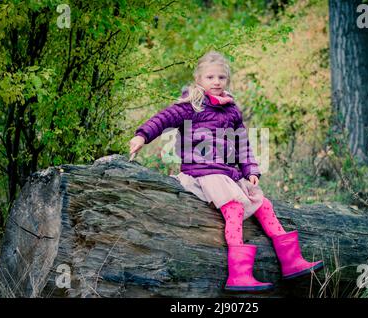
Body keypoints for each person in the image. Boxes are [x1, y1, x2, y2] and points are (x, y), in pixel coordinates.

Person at [129, 51, 323, 292]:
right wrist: (142, 136)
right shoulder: (191, 106)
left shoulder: (232, 110)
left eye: (221, 77)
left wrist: (250, 169)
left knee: (264, 204)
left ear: (227, 80)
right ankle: (239, 274)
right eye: (210, 77)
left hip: (227, 173)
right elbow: (163, 118)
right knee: (234, 208)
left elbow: (242, 144)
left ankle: (292, 262)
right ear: (199, 79)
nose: (216, 81)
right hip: (202, 173)